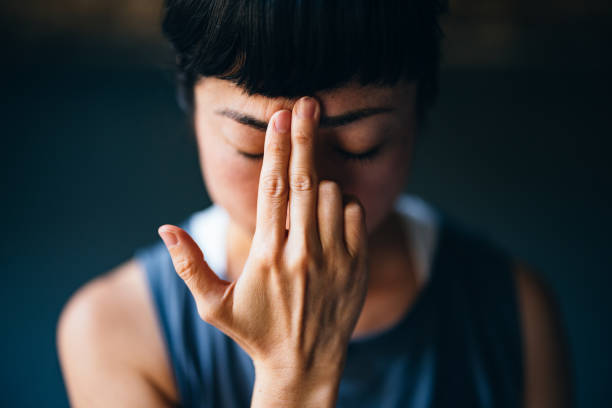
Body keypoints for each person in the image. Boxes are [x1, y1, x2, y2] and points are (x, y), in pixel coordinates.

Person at [56, 0, 573, 407]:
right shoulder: (115, 330)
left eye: (360, 145)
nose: (307, 186)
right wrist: (293, 377)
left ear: (419, 116)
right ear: (191, 112)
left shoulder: (514, 312)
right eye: (255, 148)